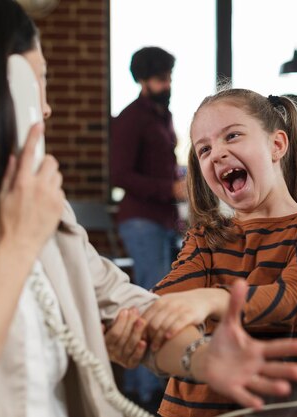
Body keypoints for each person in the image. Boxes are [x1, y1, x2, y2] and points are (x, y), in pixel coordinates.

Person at [0, 2, 297, 417]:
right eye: (39, 83)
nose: (45, 109)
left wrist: (205, 358)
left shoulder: (40, 199)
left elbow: (123, 304)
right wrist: (19, 242)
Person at [110, 89, 297, 417]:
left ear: (277, 145)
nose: (217, 153)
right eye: (204, 149)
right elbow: (164, 303)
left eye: (232, 136)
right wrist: (136, 328)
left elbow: (296, 297)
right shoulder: (206, 238)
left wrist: (211, 300)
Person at [109, 45, 186, 408]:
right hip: (140, 220)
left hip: (166, 220)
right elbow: (119, 174)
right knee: (149, 303)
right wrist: (168, 188)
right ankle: (142, 393)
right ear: (142, 80)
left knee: (163, 299)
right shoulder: (130, 119)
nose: (166, 83)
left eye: (169, 77)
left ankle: (155, 384)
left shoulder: (163, 116)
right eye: (160, 78)